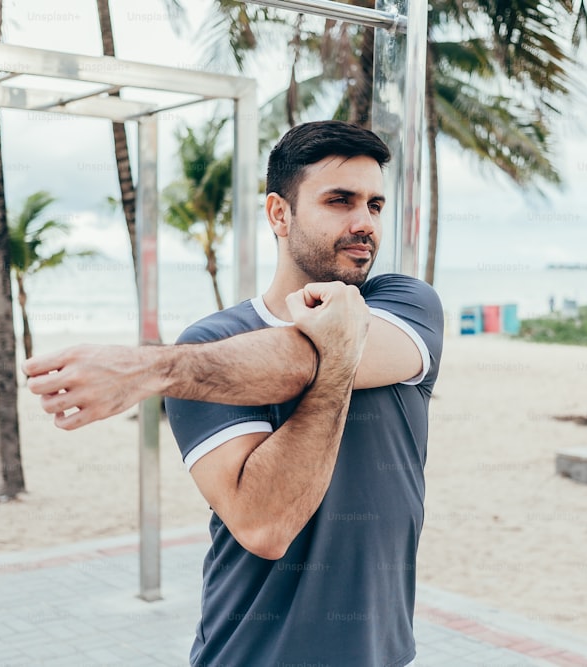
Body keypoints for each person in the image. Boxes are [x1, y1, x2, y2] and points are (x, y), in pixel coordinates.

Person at [23, 120, 444, 667]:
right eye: (340, 201)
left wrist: (151, 370)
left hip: (381, 653)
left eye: (375, 205)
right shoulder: (210, 341)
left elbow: (303, 358)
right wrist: (342, 354)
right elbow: (264, 524)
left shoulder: (405, 303)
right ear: (279, 213)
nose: (364, 222)